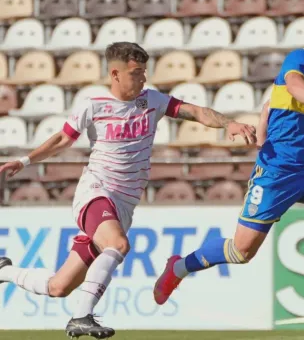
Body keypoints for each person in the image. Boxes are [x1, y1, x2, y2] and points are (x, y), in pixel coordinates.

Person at [0, 42, 256, 339]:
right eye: (136, 73)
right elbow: (61, 140)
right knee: (119, 245)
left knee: (59, 286)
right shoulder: (94, 105)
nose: (143, 79)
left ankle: (3, 271)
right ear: (115, 74)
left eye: (144, 72)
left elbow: (196, 111)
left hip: (123, 205)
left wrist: (229, 123)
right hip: (96, 192)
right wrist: (23, 160)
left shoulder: (153, 101)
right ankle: (81, 316)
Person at [153, 18, 304, 307]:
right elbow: (293, 84)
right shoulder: (301, 59)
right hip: (277, 174)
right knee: (240, 252)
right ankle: (178, 267)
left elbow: (275, 103)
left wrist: (263, 125)